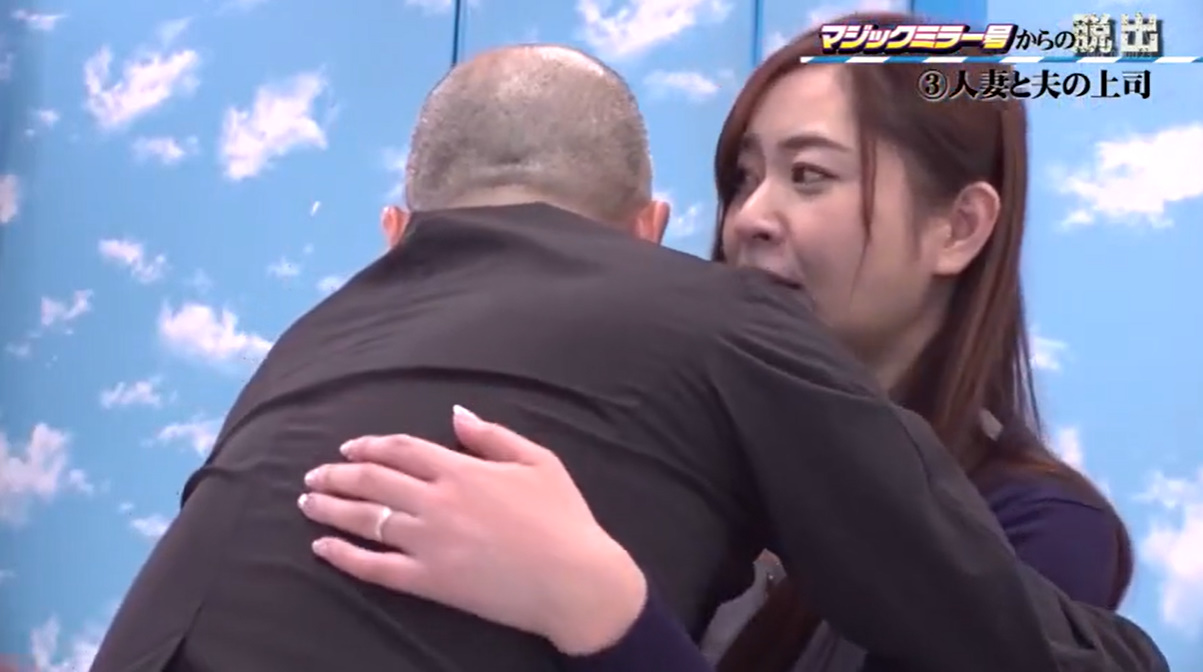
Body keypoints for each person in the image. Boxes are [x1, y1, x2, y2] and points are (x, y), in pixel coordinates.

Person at [87, 41, 1151, 672]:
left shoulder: (1040, 526)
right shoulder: (679, 400)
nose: (751, 219)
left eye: (810, 176)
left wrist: (602, 609)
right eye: (742, 177)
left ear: (959, 227)